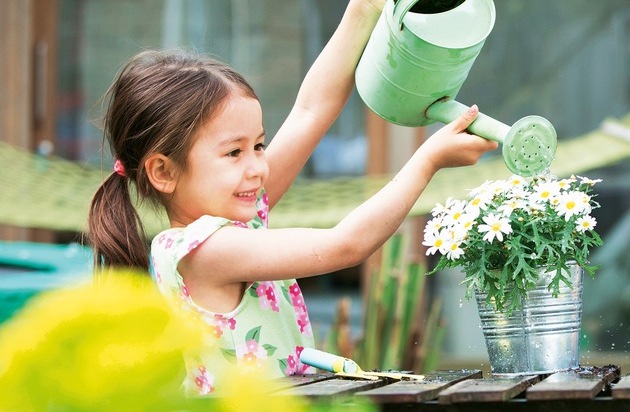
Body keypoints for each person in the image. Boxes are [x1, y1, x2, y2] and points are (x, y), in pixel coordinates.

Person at [88, 0, 498, 396]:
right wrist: (427, 160)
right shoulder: (206, 249)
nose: (256, 167)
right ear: (164, 171)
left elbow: (310, 110)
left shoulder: (235, 221)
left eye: (259, 145)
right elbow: (345, 246)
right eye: (234, 152)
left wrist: (363, 10)